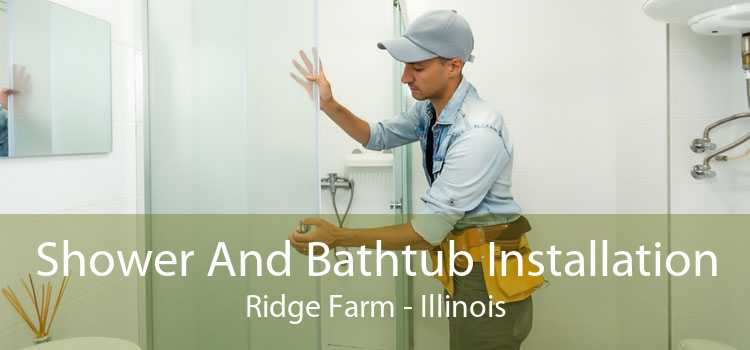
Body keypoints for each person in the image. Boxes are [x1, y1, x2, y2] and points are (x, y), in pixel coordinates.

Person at [289, 10, 535, 350]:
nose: (405, 77)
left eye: (417, 67)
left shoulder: (478, 133)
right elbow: (378, 136)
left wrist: (338, 237)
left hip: (488, 281)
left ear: (454, 65)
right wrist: (329, 105)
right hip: (466, 271)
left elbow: (426, 232)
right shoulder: (430, 110)